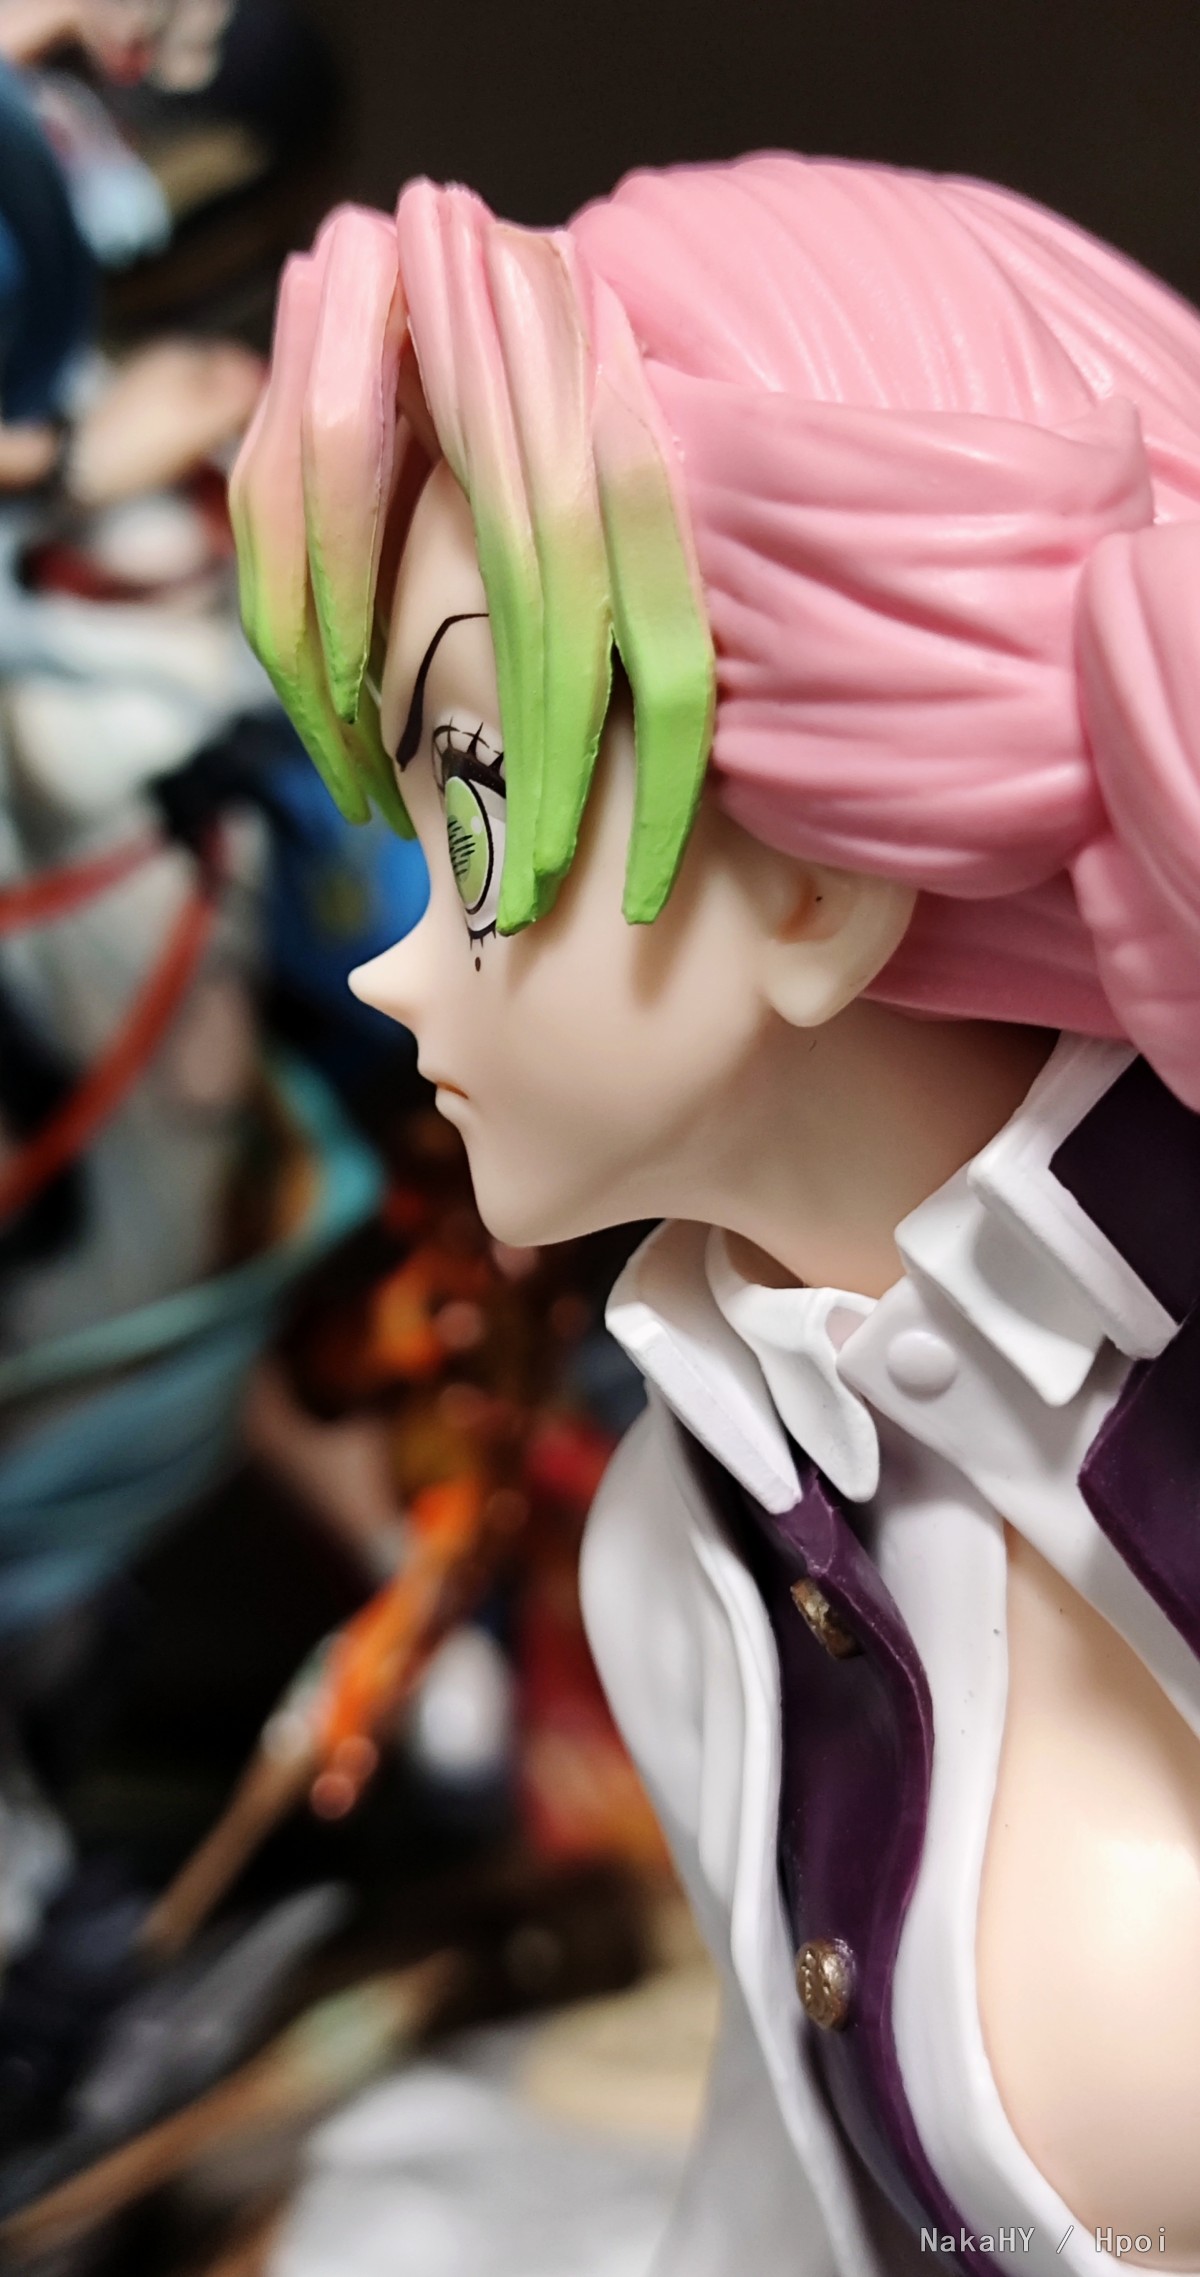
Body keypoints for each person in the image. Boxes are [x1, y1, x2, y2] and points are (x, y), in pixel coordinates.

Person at [230, 156, 1200, 2277]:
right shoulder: (701, 1549)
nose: (394, 966)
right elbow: (776, 2208)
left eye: (477, 800)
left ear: (817, 878)